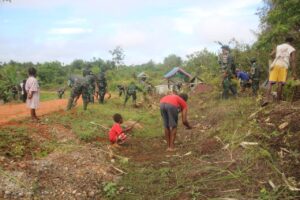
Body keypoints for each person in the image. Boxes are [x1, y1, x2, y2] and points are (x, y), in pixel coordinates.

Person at [262, 36, 297, 106]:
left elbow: (271, 55)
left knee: (270, 83)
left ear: (285, 40)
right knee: (280, 83)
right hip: (284, 66)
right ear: (291, 42)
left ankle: (266, 99)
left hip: (276, 64)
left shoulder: (278, 46)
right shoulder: (292, 49)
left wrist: (276, 55)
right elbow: (293, 61)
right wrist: (294, 73)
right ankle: (278, 101)